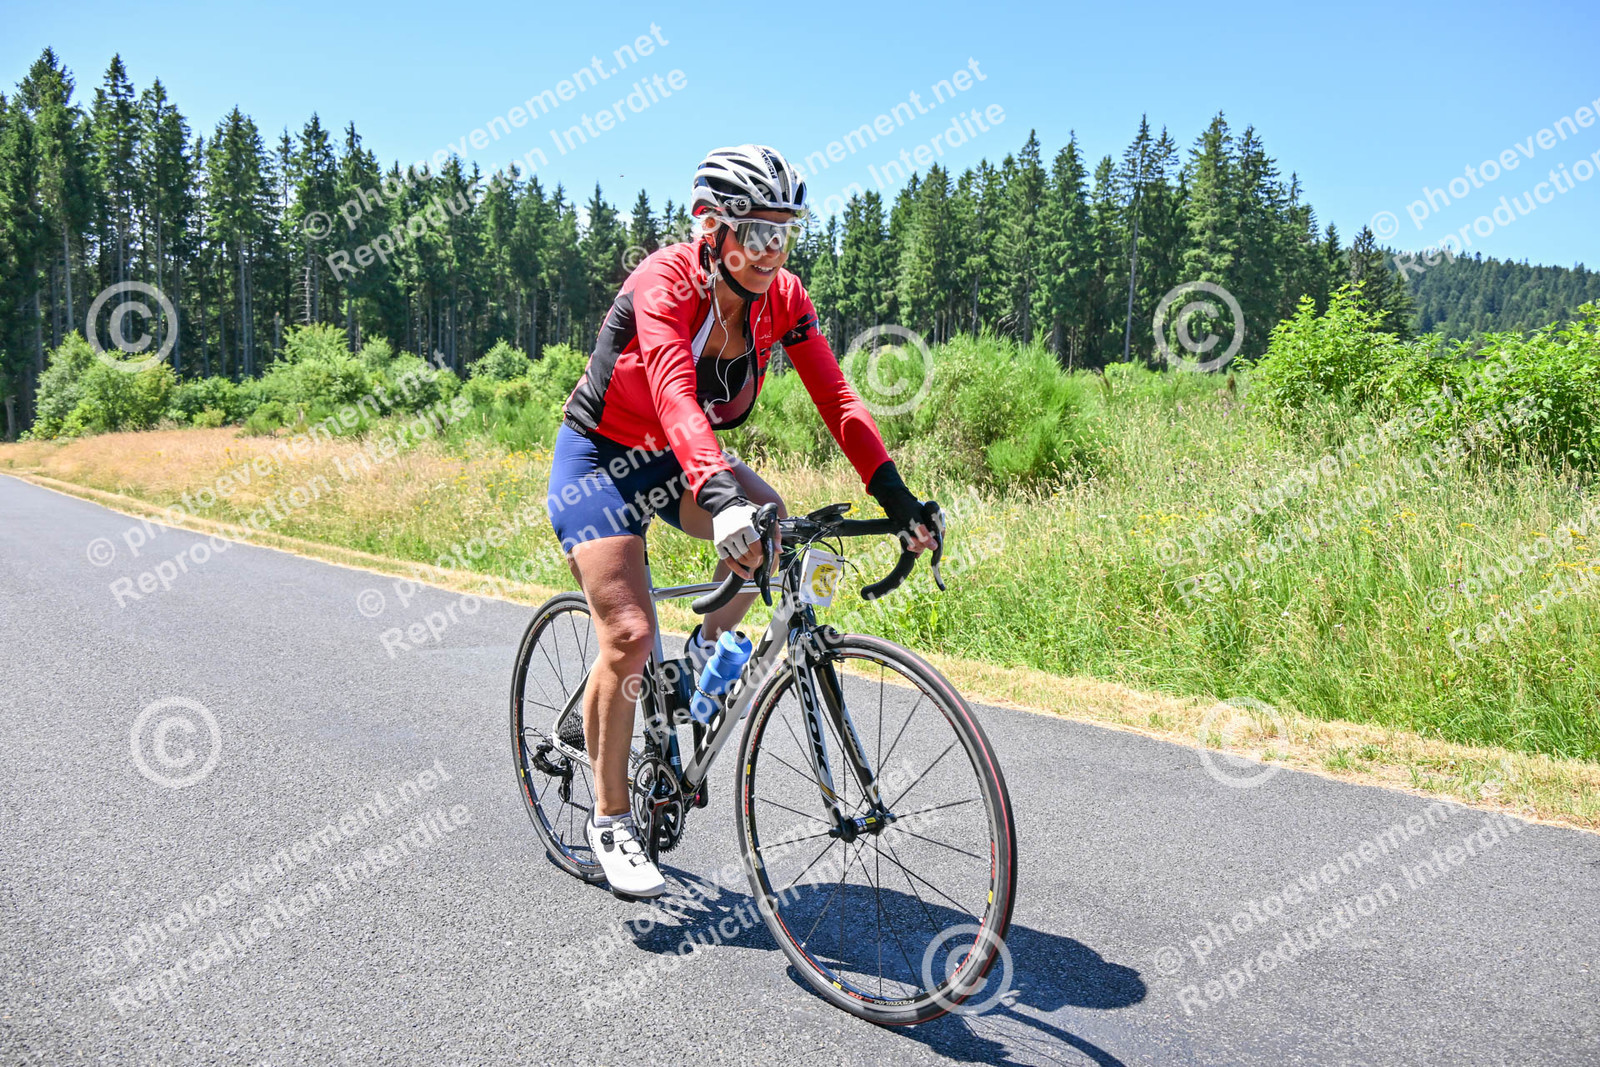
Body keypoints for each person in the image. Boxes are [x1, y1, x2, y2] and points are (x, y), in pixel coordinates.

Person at [545, 144, 936, 899]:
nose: (770, 250)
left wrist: (899, 500)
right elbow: (672, 392)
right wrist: (723, 500)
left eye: (783, 233)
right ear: (713, 227)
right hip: (600, 461)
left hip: (678, 459)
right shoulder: (664, 280)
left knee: (776, 525)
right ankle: (612, 818)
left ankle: (699, 661)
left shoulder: (782, 298)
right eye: (756, 232)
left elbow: (839, 400)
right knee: (629, 635)